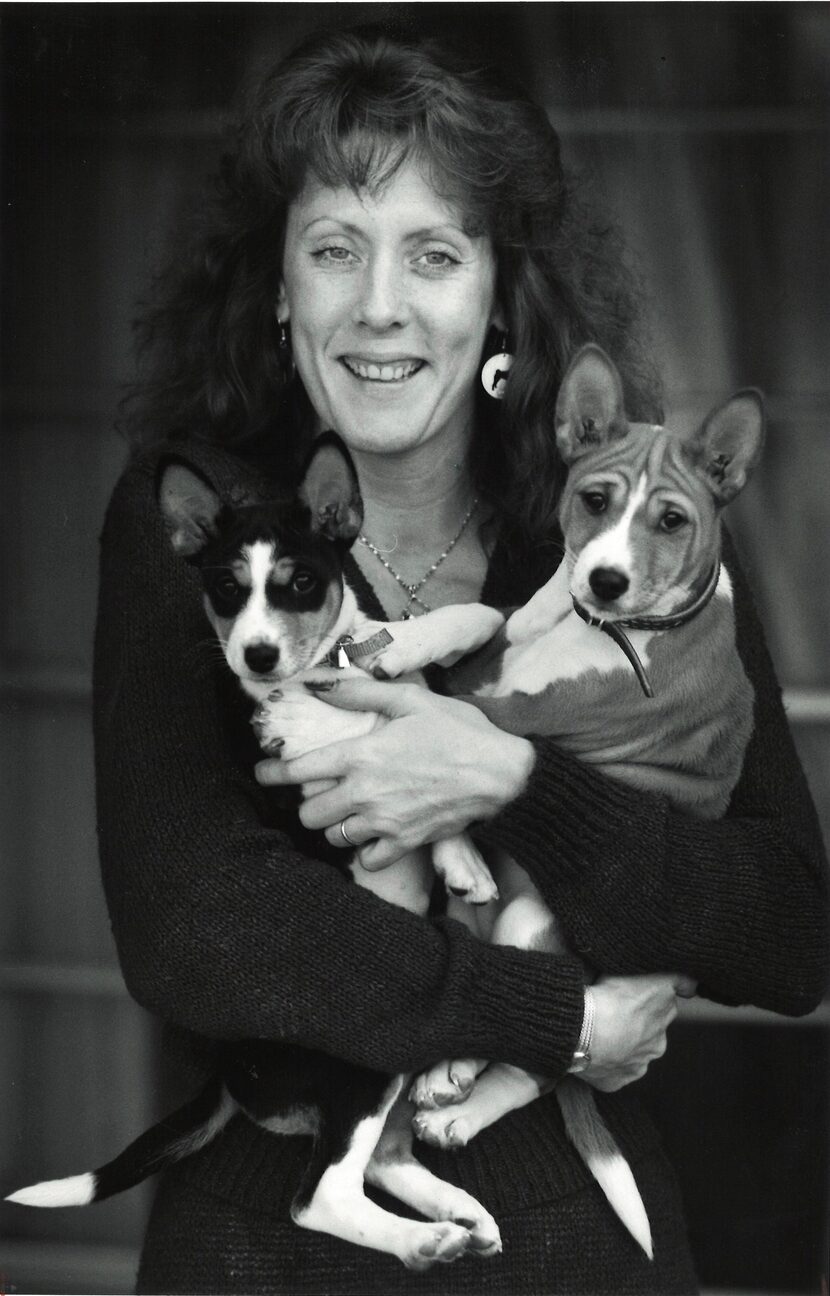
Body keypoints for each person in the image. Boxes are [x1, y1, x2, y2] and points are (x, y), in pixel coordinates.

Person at [94, 25, 829, 1296]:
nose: (378, 305)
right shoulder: (211, 525)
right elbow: (194, 927)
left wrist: (511, 781)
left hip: (573, 1245)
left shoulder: (629, 525)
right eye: (334, 249)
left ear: (500, 294)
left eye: (432, 253)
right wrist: (551, 1019)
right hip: (274, 1248)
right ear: (277, 288)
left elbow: (786, 928)